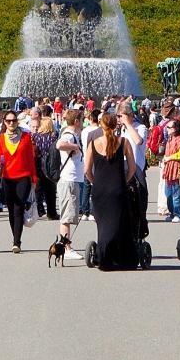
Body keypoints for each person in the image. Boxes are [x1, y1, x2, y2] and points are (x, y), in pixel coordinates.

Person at [87, 111, 141, 270]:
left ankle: (104, 256)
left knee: (102, 224)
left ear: (101, 126)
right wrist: (123, 181)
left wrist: (94, 182)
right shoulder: (123, 142)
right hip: (117, 188)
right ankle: (122, 257)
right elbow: (132, 168)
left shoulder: (93, 143)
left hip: (99, 190)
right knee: (120, 223)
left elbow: (87, 170)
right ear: (116, 125)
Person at [0, 111, 38, 253]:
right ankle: (15, 236)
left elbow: (30, 159)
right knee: (11, 210)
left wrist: (34, 178)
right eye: (8, 121)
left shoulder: (26, 137)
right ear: (4, 122)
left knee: (19, 207)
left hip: (23, 177)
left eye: (14, 120)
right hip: (7, 178)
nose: (11, 123)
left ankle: (16, 242)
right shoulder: (1, 139)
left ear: (17, 122)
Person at [53, 121, 86, 262]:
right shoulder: (69, 134)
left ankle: (65, 247)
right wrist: (75, 146)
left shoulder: (73, 134)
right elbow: (59, 145)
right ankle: (66, 249)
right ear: (77, 121)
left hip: (71, 179)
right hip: (68, 179)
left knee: (69, 214)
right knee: (67, 215)